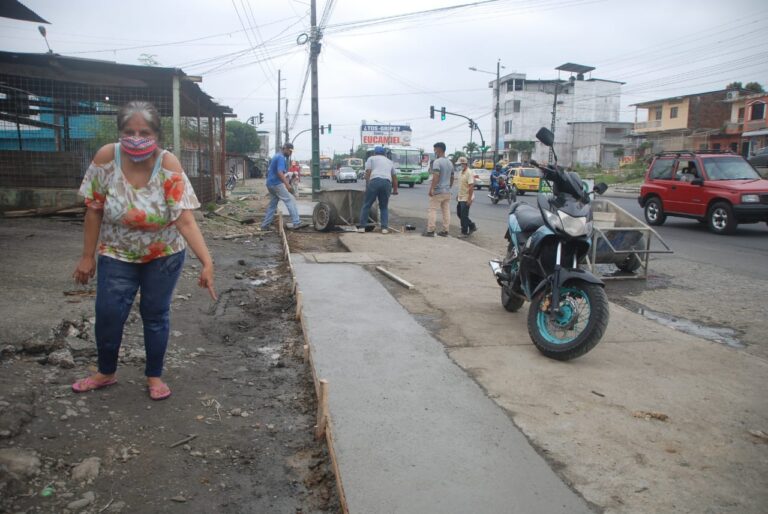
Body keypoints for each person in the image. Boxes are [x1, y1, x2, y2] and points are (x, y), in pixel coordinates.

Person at [71, 100, 216, 401]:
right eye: (129, 131)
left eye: (144, 132)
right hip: (116, 252)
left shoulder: (168, 164)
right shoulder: (107, 158)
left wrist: (207, 261)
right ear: (120, 132)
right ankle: (106, 372)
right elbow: (94, 210)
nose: (136, 138)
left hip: (163, 254)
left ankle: (154, 375)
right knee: (108, 313)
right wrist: (87, 256)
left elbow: (185, 219)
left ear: (156, 135)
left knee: (155, 313)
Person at [261, 143, 308, 230]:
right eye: (290, 151)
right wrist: (287, 185)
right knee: (290, 200)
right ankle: (296, 222)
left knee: (273, 205)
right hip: (276, 184)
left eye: (291, 152)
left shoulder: (277, 156)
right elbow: (280, 172)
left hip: (270, 184)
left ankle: (265, 225)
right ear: (285, 149)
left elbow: (278, 172)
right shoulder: (281, 158)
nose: (291, 153)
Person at [359, 146, 398, 233]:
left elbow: (368, 173)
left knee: (367, 205)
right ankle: (384, 228)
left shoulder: (371, 159)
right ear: (384, 153)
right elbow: (394, 177)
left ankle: (362, 227)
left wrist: (367, 186)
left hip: (375, 181)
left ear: (375, 153)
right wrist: (395, 190)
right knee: (384, 207)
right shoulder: (389, 161)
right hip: (386, 183)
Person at [424, 142, 454, 237]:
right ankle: (445, 230)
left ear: (439, 149)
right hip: (447, 191)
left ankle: (431, 230)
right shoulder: (450, 162)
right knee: (446, 211)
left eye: (435, 149)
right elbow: (452, 177)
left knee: (432, 210)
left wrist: (432, 188)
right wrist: (449, 186)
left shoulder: (437, 162)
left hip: (438, 191)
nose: (434, 151)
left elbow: (436, 176)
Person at [455, 157, 477, 237]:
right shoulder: (461, 172)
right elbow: (461, 185)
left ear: (464, 164)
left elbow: (471, 186)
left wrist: (469, 199)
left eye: (461, 164)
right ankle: (471, 225)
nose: (460, 166)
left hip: (467, 197)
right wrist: (458, 194)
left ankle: (464, 232)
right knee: (459, 213)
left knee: (464, 215)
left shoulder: (469, 172)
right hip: (461, 196)